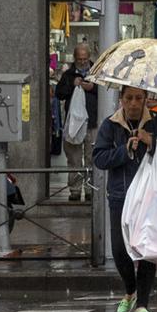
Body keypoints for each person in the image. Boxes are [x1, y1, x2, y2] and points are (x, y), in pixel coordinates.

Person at [91, 85, 157, 312]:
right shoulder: (111, 124)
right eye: (128, 98)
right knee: (120, 251)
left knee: (148, 251)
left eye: (138, 98)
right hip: (120, 195)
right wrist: (124, 150)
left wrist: (152, 142)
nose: (133, 103)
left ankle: (142, 304)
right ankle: (130, 290)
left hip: (151, 197)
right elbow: (99, 158)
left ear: (145, 99)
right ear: (121, 99)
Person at [55, 42, 99, 203]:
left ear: (89, 57)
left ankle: (89, 190)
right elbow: (59, 94)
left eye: (85, 59)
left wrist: (93, 88)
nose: (82, 62)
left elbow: (108, 94)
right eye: (79, 59)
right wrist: (71, 86)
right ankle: (74, 190)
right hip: (73, 123)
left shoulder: (96, 71)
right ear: (75, 58)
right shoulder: (68, 74)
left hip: (92, 122)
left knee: (91, 157)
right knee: (73, 159)